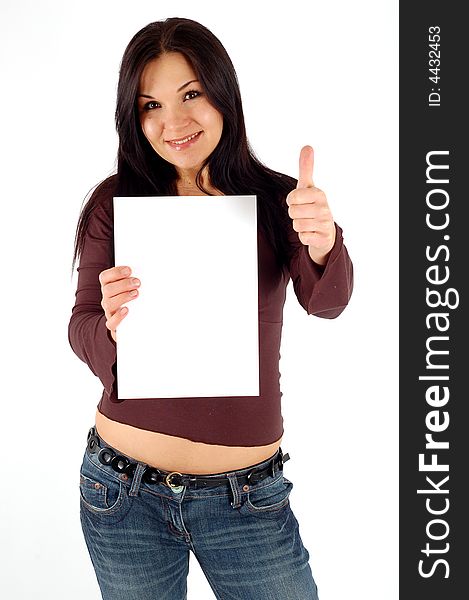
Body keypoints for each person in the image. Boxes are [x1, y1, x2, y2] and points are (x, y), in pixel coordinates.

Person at [69, 17, 353, 600]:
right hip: (123, 490)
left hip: (246, 497)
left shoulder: (278, 201)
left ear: (224, 92)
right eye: (151, 104)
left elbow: (327, 303)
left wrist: (323, 241)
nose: (173, 122)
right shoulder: (114, 200)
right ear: (134, 115)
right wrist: (113, 328)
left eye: (191, 94)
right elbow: (81, 327)